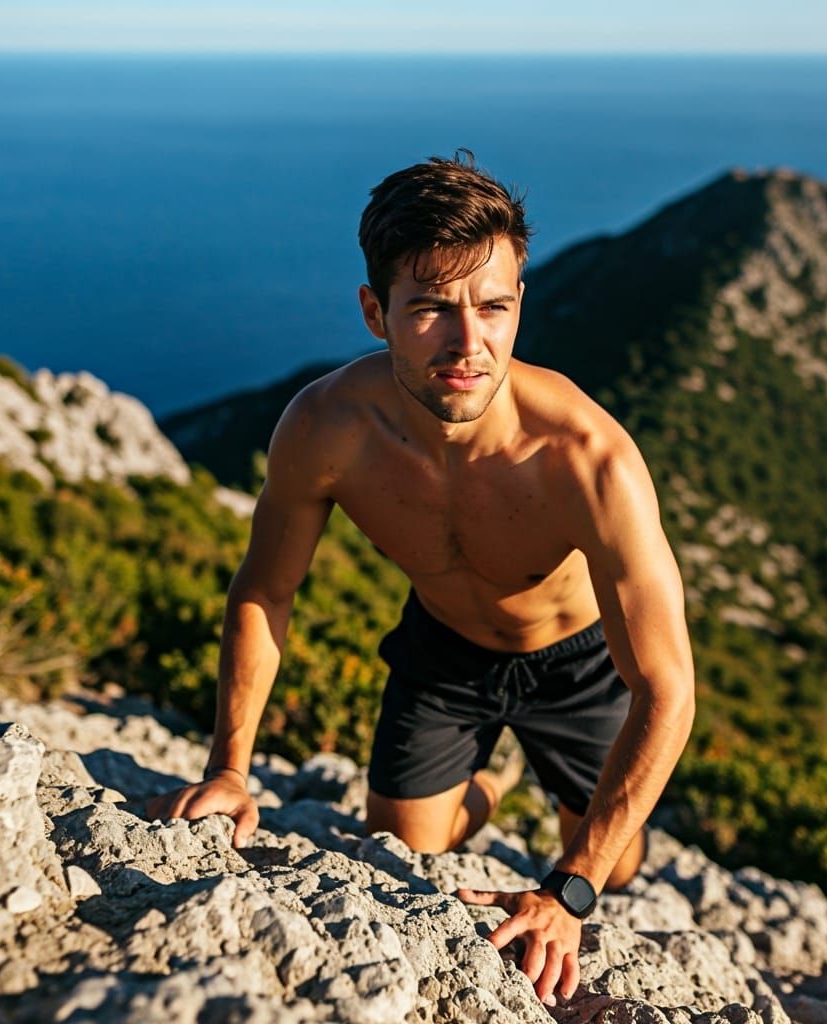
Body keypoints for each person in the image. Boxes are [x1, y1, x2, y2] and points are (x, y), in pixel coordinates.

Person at [147, 151, 695, 1009]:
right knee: (401, 849)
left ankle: (540, 784)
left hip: (580, 662)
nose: (467, 343)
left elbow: (666, 686)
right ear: (376, 311)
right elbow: (266, 590)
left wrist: (570, 893)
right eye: (432, 308)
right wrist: (229, 769)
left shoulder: (587, 459)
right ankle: (492, 782)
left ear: (520, 308)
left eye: (494, 308)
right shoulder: (327, 427)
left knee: (613, 861)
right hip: (444, 648)